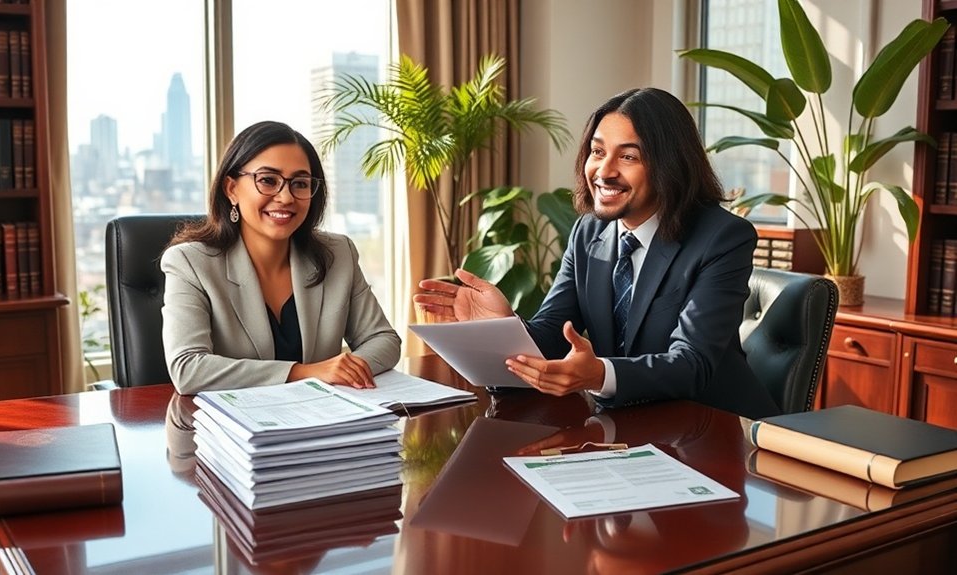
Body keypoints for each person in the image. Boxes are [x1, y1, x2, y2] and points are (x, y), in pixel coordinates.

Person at [414, 87, 779, 419]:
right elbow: (554, 332)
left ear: (670, 165)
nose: (604, 171)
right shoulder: (588, 231)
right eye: (598, 152)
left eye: (629, 156)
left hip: (716, 429)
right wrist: (502, 326)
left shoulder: (721, 238)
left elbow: (692, 363)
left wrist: (601, 374)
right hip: (631, 428)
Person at [161, 121, 401, 395]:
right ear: (232, 189)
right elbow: (188, 368)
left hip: (323, 414)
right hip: (235, 419)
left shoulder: (338, 253)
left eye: (300, 183)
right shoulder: (189, 263)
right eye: (268, 180)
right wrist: (306, 373)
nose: (286, 197)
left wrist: (346, 370)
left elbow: (383, 339)